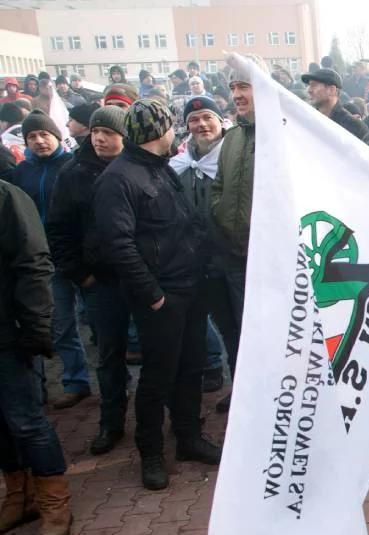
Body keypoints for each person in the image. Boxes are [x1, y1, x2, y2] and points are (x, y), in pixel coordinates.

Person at [94, 98, 220, 490]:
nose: (175, 134)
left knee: (191, 367)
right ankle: (150, 452)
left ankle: (188, 438)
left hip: (189, 288)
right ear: (159, 132)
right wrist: (152, 294)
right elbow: (119, 244)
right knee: (158, 376)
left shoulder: (159, 169)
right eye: (171, 127)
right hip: (161, 295)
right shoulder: (120, 179)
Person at [45, 105, 130, 454]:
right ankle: (111, 423)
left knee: (158, 354)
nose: (99, 138)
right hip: (102, 283)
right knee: (109, 356)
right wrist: (82, 275)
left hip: (143, 281)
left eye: (108, 132)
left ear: (124, 136)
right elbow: (59, 230)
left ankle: (167, 421)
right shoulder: (73, 173)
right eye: (95, 131)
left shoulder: (141, 167)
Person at [3, 111, 93, 409]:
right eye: (32, 136)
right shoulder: (21, 173)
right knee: (62, 324)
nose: (40, 141)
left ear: (57, 136)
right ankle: (75, 381)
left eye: (44, 134)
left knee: (100, 324)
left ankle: (116, 384)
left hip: (80, 258)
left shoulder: (74, 166)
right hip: (44, 262)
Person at [0, 178, 72, 535]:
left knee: (26, 421)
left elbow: (33, 263)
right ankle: (18, 492)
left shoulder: (7, 197)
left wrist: (34, 327)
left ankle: (53, 499)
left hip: (7, 335)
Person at [211, 57, 265, 413]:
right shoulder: (231, 139)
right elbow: (219, 186)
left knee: (269, 335)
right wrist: (220, 213)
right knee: (240, 332)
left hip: (270, 259)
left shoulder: (284, 133)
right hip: (234, 255)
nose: (237, 95)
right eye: (233, 87)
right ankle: (246, 392)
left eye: (243, 86)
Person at [170, 97, 235, 395]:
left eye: (207, 117)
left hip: (235, 260)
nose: (201, 124)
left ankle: (247, 395)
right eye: (194, 120)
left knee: (243, 332)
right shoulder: (180, 164)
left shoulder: (235, 158)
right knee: (223, 327)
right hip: (201, 264)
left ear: (220, 120)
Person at [302, 68, 368, 141]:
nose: (309, 90)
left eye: (314, 85)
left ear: (332, 90)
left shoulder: (354, 127)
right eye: (309, 85)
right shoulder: (307, 122)